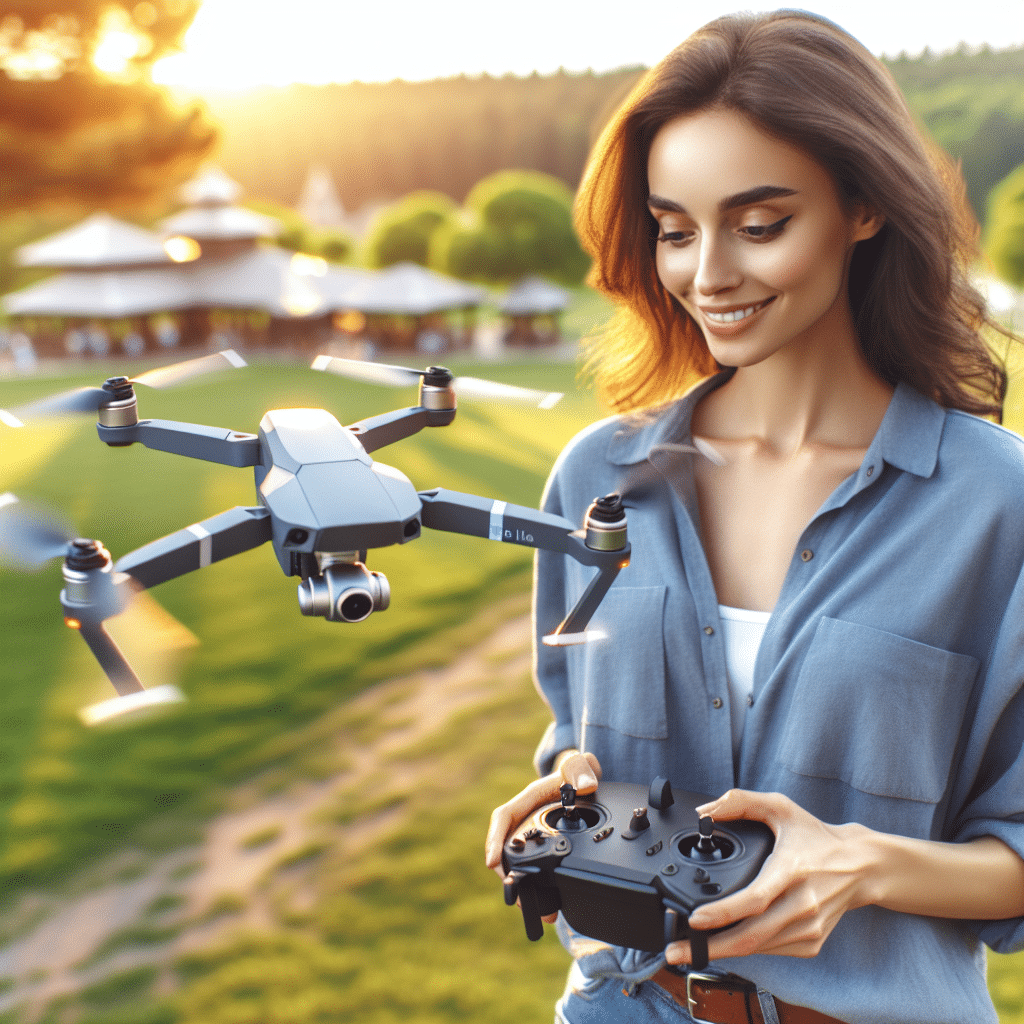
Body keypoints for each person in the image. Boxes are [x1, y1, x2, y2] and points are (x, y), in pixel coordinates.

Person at [484, 10, 1024, 1024]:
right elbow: (576, 730)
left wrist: (863, 867)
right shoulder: (598, 479)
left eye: (759, 224)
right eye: (675, 229)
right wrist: (568, 790)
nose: (706, 274)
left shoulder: (1000, 506)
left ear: (862, 206)